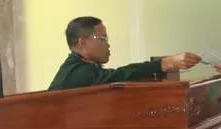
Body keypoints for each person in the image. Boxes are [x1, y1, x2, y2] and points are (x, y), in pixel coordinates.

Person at [49, 16, 201, 90]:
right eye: (102, 38)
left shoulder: (84, 65)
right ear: (82, 42)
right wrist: (166, 63)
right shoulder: (77, 71)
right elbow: (119, 76)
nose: (108, 44)